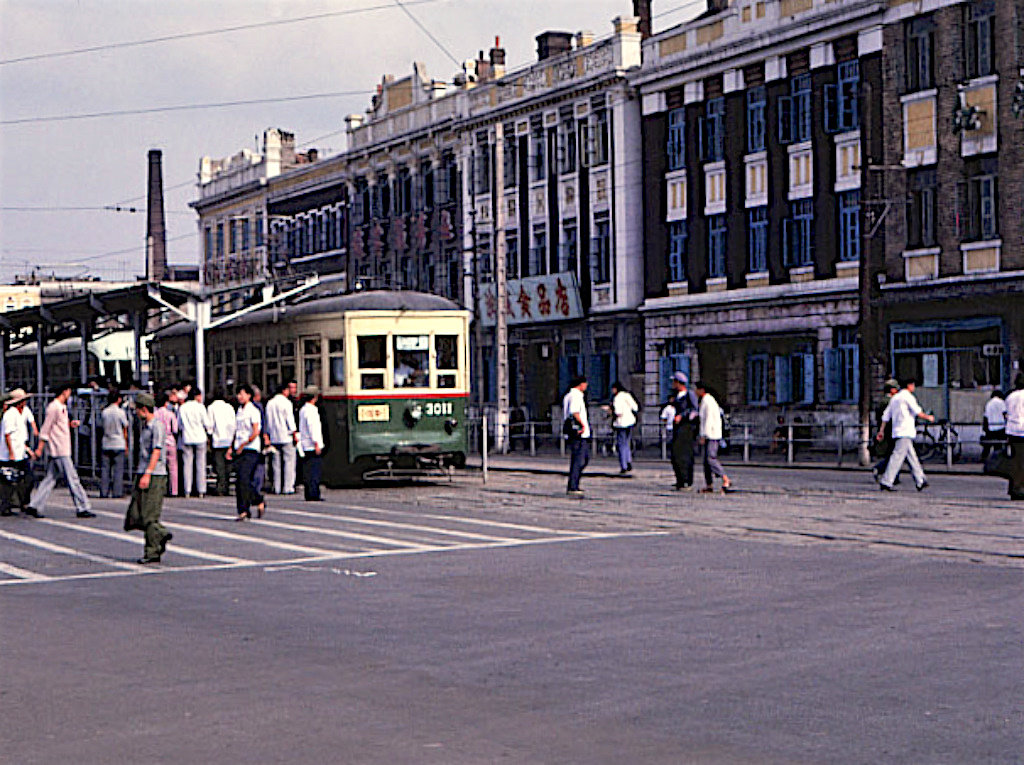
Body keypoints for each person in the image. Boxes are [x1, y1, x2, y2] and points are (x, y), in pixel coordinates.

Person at [27, 382, 94, 519]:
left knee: (50, 478)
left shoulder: (61, 407)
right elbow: (46, 429)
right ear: (64, 391)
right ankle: (83, 506)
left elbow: (57, 425)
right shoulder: (54, 407)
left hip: (61, 447)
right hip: (60, 448)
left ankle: (35, 504)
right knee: (72, 478)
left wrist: (70, 424)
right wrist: (40, 448)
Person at [123, 393, 172, 565]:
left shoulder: (157, 426)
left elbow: (157, 451)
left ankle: (153, 548)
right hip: (143, 470)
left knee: (150, 515)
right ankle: (158, 538)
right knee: (137, 513)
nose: (135, 412)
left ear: (144, 409)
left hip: (154, 474)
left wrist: (148, 473)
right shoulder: (145, 426)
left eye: (137, 408)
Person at [877, 377, 934, 492]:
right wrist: (928, 417)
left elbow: (886, 416)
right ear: (909, 386)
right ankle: (886, 481)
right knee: (897, 457)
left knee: (911, 457)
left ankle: (920, 480)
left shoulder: (895, 398)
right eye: (913, 385)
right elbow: (918, 412)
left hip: (897, 431)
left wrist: (881, 431)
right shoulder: (908, 397)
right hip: (905, 430)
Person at [228, 384, 264, 520]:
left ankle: (255, 500)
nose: (239, 397)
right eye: (238, 394)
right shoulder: (239, 411)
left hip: (251, 448)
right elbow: (236, 431)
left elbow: (255, 431)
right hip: (239, 448)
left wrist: (244, 444)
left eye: (242, 394)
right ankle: (244, 509)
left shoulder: (253, 411)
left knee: (244, 477)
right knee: (240, 480)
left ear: (249, 395)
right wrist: (232, 447)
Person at [0, 389, 36, 516]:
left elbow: (21, 436)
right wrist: (11, 453)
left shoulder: (23, 412)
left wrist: (27, 450)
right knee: (8, 482)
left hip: (20, 451)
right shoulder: (10, 414)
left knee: (27, 478)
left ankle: (23, 502)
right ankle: (6, 506)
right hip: (10, 453)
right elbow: (7, 435)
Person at [695, 381, 732, 493]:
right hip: (710, 434)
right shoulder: (706, 401)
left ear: (702, 390)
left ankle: (725, 478)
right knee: (706, 461)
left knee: (711, 458)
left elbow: (708, 420)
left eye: (697, 389)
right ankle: (709, 484)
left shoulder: (708, 401)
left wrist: (703, 435)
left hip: (711, 434)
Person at [667, 372, 699, 490]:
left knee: (685, 455)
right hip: (677, 427)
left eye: (674, 382)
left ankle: (687, 480)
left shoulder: (689, 394)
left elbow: (694, 410)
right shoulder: (676, 395)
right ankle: (679, 479)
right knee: (675, 454)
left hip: (687, 428)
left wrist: (683, 415)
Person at [266, 382, 299, 495]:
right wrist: (294, 432)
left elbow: (268, 421)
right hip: (286, 436)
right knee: (289, 463)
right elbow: (289, 420)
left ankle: (277, 487)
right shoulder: (286, 403)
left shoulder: (270, 403)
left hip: (274, 437)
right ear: (284, 391)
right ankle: (288, 487)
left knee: (276, 464)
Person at [179, 388, 212, 498]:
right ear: (197, 396)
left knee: (187, 464)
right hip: (200, 437)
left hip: (187, 437)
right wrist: (209, 433)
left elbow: (179, 425)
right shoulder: (200, 407)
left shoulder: (182, 408)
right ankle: (201, 490)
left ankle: (187, 490)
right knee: (200, 464)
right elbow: (207, 423)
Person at [562, 375, 590, 497]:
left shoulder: (568, 395)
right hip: (578, 433)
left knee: (580, 458)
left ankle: (574, 483)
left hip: (574, 433)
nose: (586, 386)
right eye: (585, 383)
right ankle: (573, 485)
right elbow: (574, 412)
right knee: (580, 459)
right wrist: (582, 425)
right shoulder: (575, 396)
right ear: (580, 384)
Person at [100, 390, 129, 499]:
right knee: (118, 470)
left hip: (106, 442)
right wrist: (126, 443)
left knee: (105, 469)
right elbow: (125, 427)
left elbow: (101, 426)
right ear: (118, 399)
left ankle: (104, 491)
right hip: (118, 442)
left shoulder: (105, 412)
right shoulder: (121, 412)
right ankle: (117, 492)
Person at [298, 386, 325, 501]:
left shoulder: (303, 409)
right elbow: (313, 428)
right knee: (314, 471)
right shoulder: (312, 410)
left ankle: (309, 492)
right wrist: (317, 443)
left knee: (308, 470)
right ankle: (314, 493)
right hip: (312, 444)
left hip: (305, 443)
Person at [207, 390, 235, 496]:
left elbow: (210, 425)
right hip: (229, 439)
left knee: (219, 466)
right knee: (228, 465)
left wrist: (210, 435)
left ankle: (220, 487)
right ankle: (226, 486)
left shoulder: (211, 408)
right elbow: (233, 424)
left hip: (217, 440)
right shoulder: (229, 407)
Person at [871, 379, 900, 483]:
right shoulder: (890, 402)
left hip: (886, 429)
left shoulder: (882, 401)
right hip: (891, 430)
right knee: (895, 453)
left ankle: (892, 475)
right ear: (891, 390)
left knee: (893, 453)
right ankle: (881, 469)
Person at [608, 381, 639, 474]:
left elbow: (618, 412)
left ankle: (623, 465)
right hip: (630, 421)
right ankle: (628, 460)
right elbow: (635, 407)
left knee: (621, 444)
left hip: (621, 422)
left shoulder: (617, 398)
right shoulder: (627, 395)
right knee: (627, 442)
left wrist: (611, 411)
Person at [154, 392, 180, 497]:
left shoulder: (155, 414)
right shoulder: (170, 414)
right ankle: (174, 490)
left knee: (159, 466)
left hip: (159, 441)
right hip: (170, 441)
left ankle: (159, 488)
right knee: (173, 467)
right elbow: (175, 429)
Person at [1003, 374, 1024, 501]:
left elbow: (1006, 413)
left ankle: (1014, 488)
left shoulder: (1010, 396)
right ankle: (1020, 487)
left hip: (1012, 431)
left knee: (1016, 461)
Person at [981, 389, 1007, 462]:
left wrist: (984, 428)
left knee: (988, 445)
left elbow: (985, 416)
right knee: (999, 445)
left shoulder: (988, 403)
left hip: (991, 426)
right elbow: (1005, 413)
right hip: (1000, 426)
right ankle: (997, 459)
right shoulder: (1001, 402)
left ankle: (984, 458)